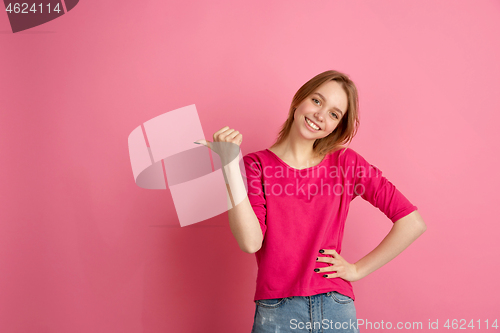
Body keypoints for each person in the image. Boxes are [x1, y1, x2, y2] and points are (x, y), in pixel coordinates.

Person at [195, 70, 427, 333]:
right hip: (277, 311)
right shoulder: (256, 165)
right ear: (299, 100)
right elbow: (250, 242)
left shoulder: (346, 163)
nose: (320, 115)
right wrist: (228, 167)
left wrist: (357, 270)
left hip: (335, 307)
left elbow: (412, 222)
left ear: (337, 126)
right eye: (317, 101)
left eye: (333, 114)